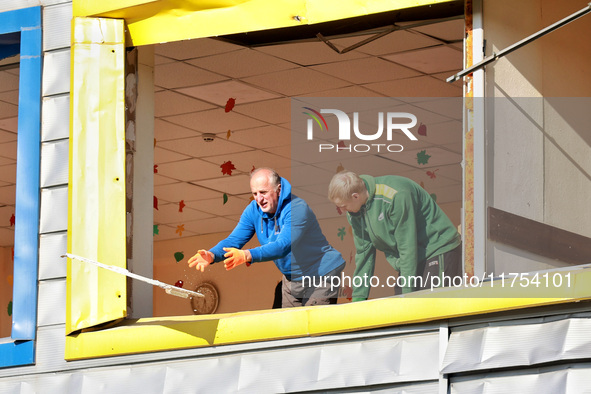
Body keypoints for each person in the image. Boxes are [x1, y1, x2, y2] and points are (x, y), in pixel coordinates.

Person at [188, 167, 345, 307]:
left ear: (278, 189)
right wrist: (212, 255)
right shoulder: (253, 211)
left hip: (320, 273)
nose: (259, 199)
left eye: (263, 192)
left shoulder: (296, 208)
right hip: (292, 279)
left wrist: (247, 255)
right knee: (287, 331)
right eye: (255, 193)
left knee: (313, 327)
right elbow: (233, 240)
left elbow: (283, 245)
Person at [328, 170, 462, 301]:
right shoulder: (354, 213)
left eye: (343, 206)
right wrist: (358, 300)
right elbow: (364, 255)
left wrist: (408, 297)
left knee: (428, 304)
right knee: (402, 306)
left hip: (437, 247)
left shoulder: (395, 195)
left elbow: (407, 245)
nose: (342, 210)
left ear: (355, 196)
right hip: (409, 258)